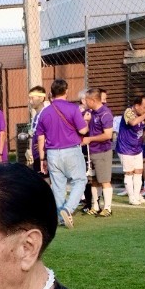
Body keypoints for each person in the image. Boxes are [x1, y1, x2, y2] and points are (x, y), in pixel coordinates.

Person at [35, 78, 88, 228]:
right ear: (66, 91)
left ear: (51, 93)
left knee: (58, 186)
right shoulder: (73, 108)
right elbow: (83, 130)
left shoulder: (45, 112)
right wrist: (86, 121)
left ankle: (61, 217)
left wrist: (42, 159)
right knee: (80, 180)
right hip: (71, 150)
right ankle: (68, 209)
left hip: (52, 153)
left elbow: (40, 137)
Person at [116, 94, 145, 207]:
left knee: (138, 172)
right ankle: (131, 198)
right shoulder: (128, 111)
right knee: (129, 173)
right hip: (125, 148)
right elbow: (133, 122)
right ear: (137, 106)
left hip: (137, 147)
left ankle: (137, 195)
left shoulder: (143, 114)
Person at [81, 88, 115, 217]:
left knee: (104, 180)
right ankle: (95, 206)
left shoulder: (105, 114)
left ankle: (107, 208)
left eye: (87, 100)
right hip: (92, 151)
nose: (85, 102)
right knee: (94, 180)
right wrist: (86, 121)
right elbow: (85, 130)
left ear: (93, 100)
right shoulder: (91, 113)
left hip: (102, 151)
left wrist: (90, 139)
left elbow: (108, 135)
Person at [26, 85, 48, 171]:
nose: (30, 101)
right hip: (36, 155)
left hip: (44, 155)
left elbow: (52, 132)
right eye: (29, 98)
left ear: (41, 98)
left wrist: (44, 143)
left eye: (32, 98)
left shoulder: (46, 114)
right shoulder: (36, 116)